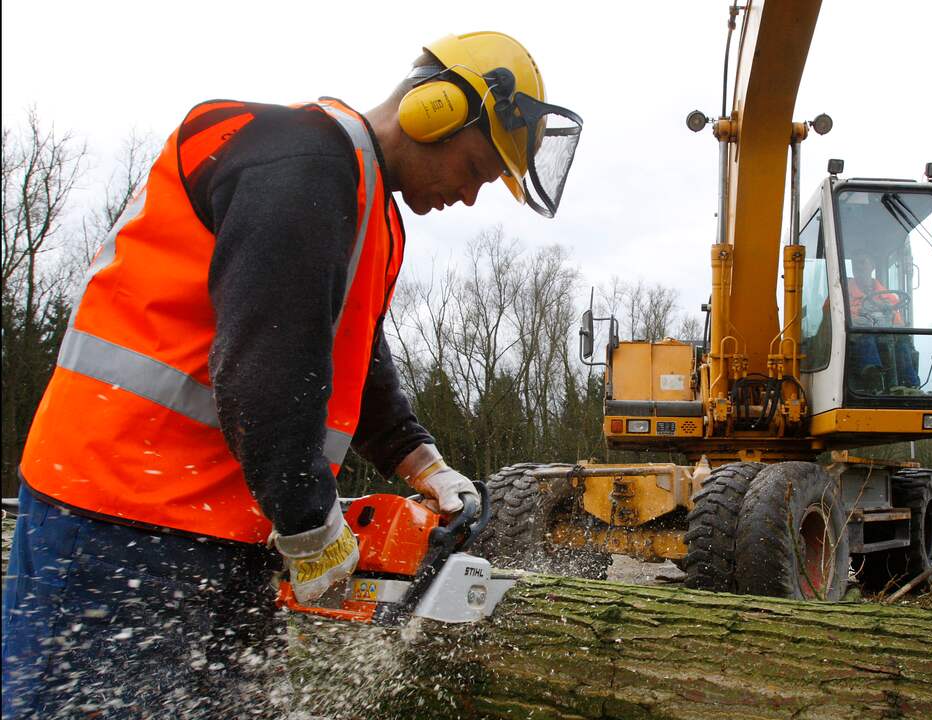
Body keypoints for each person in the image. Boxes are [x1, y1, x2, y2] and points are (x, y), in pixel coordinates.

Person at [2, 31, 582, 718]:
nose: (471, 194)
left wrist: (422, 464)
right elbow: (267, 365)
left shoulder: (365, 207)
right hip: (124, 512)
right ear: (437, 109)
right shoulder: (303, 164)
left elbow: (350, 354)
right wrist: (310, 523)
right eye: (478, 168)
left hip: (213, 522)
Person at [845, 254, 920, 392]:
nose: (858, 268)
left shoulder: (887, 296)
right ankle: (875, 381)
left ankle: (911, 385)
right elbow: (831, 313)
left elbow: (898, 324)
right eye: (855, 264)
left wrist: (897, 329)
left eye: (862, 262)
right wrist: (858, 316)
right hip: (856, 340)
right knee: (867, 339)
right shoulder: (842, 291)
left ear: (872, 266)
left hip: (885, 337)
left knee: (903, 342)